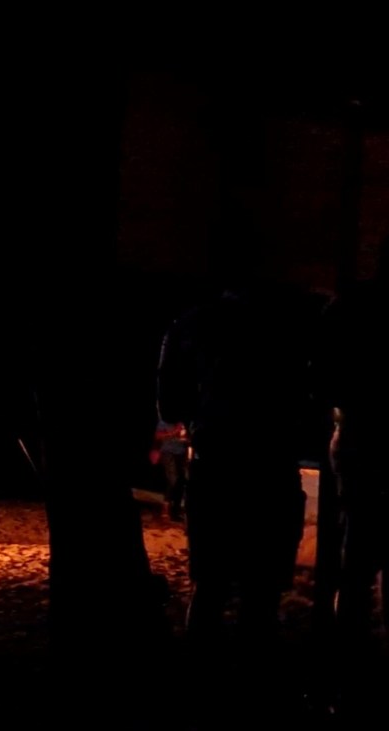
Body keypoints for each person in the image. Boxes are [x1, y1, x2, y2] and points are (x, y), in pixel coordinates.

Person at [157, 272, 309, 673]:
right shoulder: (290, 326)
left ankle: (203, 677)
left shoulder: (190, 325)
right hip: (273, 467)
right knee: (263, 593)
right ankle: (254, 676)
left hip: (216, 464)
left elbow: (169, 406)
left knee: (209, 586)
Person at [315, 234, 389, 667]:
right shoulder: (351, 306)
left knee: (356, 552)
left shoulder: (348, 306)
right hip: (367, 438)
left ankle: (347, 654)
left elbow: (322, 380)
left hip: (358, 437)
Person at [154, 419, 190, 521]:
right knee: (173, 479)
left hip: (181, 454)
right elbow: (157, 436)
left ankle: (175, 511)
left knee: (181, 481)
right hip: (168, 453)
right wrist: (173, 432)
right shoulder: (163, 422)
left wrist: (186, 439)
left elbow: (185, 439)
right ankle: (165, 508)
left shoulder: (182, 423)